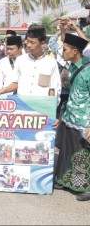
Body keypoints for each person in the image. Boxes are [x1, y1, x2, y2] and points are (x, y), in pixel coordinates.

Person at [54, 33, 90, 201]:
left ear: (75, 51)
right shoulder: (73, 67)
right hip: (70, 118)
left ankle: (86, 188)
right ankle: (65, 181)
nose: (63, 52)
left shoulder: (88, 70)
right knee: (67, 152)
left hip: (84, 121)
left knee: (82, 154)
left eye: (66, 49)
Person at [0, 25, 60, 99]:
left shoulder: (51, 63)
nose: (28, 45)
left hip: (41, 107)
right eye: (27, 42)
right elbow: (16, 83)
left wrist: (50, 107)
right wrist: (3, 90)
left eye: (32, 42)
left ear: (42, 43)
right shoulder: (20, 60)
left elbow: (53, 89)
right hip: (23, 107)